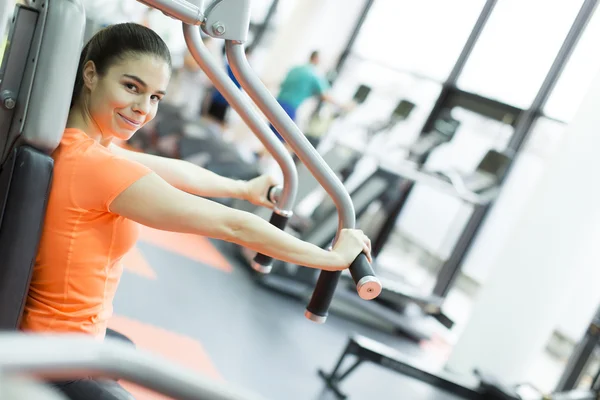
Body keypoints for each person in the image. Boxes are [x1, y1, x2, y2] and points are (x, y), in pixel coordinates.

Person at [19, 23, 372, 400]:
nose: (143, 109)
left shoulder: (75, 145)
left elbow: (165, 169)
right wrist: (330, 258)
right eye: (131, 87)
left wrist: (242, 188)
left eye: (155, 97)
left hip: (57, 341)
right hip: (62, 361)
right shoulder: (98, 166)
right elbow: (232, 225)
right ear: (91, 74)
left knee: (127, 350)